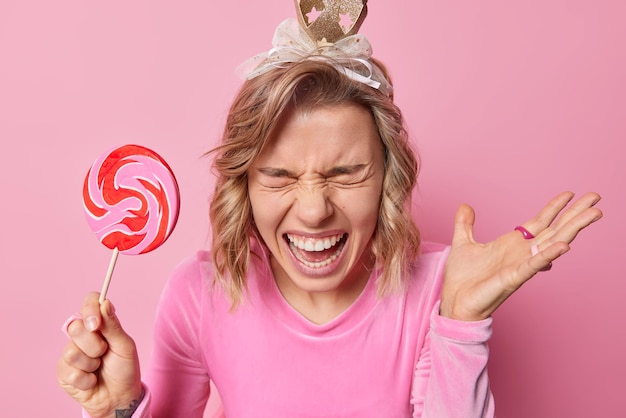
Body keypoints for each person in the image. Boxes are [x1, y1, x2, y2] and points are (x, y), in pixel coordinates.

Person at [57, 5, 603, 418]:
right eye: (280, 176)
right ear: (242, 186)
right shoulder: (200, 294)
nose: (315, 210)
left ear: (390, 177)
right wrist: (120, 408)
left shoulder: (441, 285)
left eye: (345, 174)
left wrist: (461, 320)